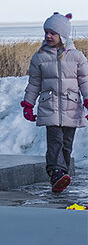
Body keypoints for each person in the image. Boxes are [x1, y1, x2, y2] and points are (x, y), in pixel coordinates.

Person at [20, 12, 87, 193]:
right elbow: (34, 83)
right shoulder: (39, 57)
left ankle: (60, 175)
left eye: (52, 33)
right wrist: (28, 104)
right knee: (55, 141)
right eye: (46, 32)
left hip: (71, 107)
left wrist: (87, 100)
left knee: (66, 144)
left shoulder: (77, 57)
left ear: (62, 35)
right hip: (50, 106)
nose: (48, 36)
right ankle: (56, 172)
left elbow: (85, 81)